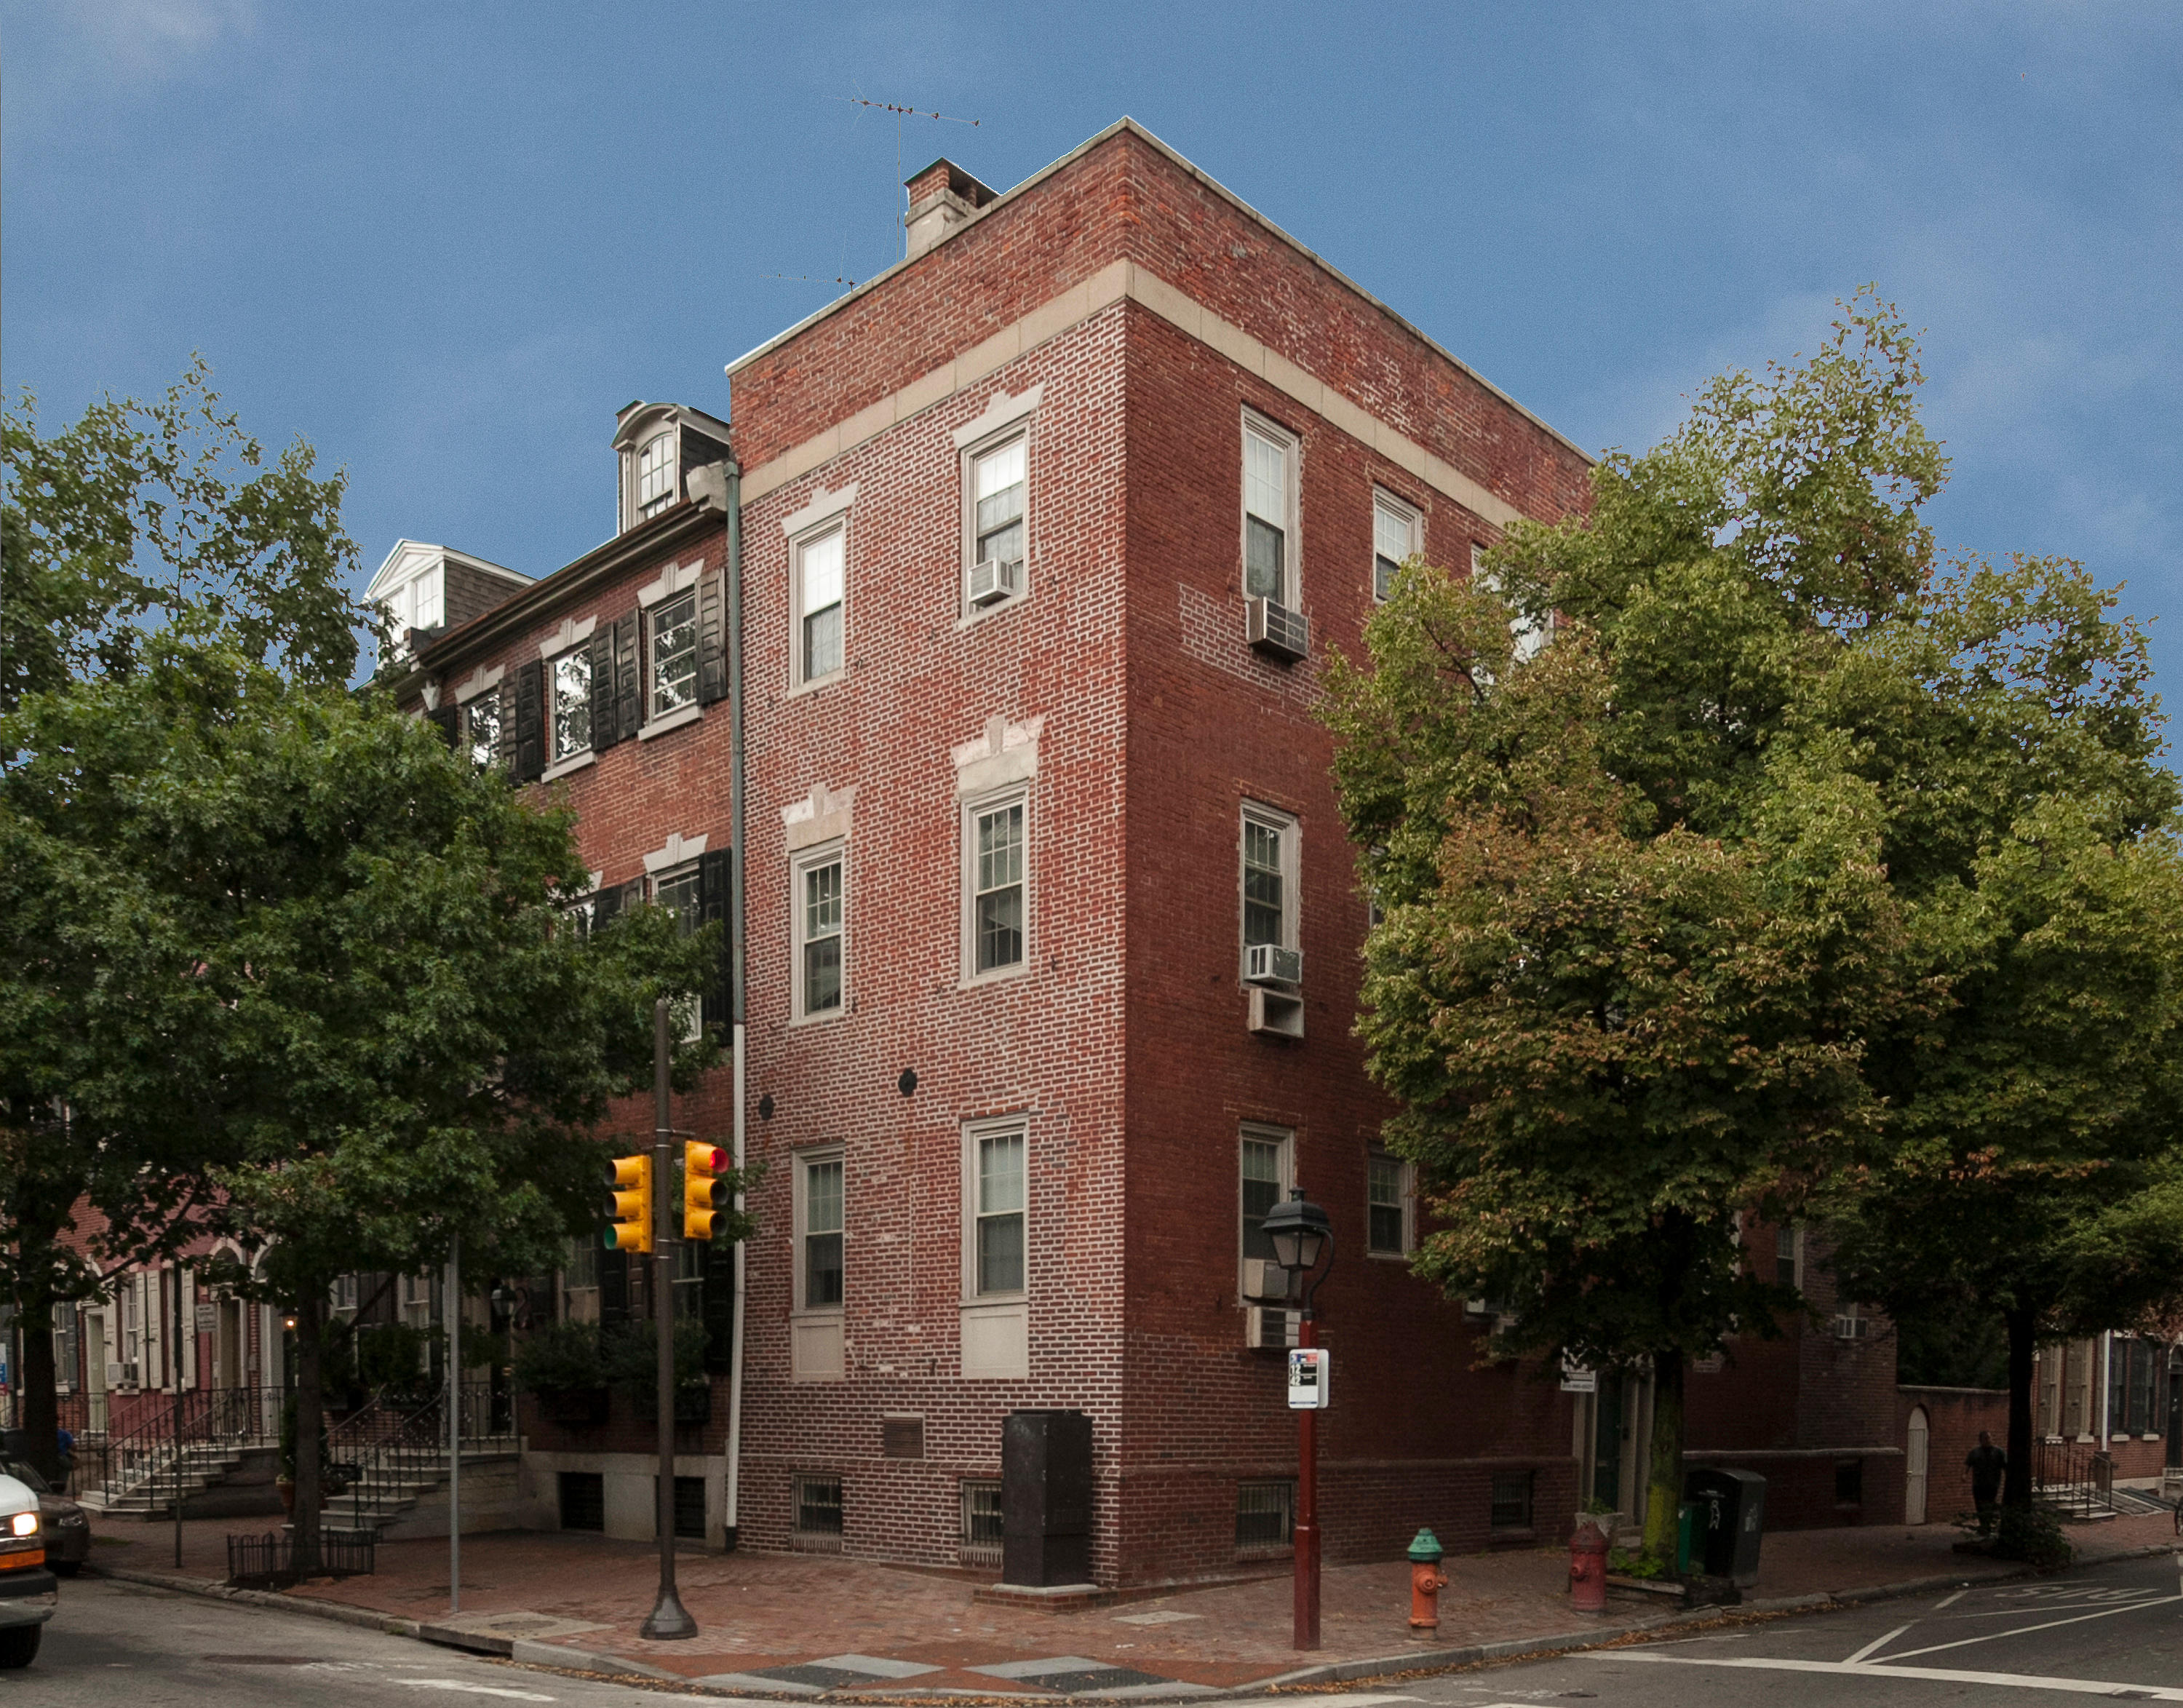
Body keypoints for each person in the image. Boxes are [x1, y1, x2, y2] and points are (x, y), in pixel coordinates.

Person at [1965, 1430, 2006, 1536]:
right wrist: (1964, 1474)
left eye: (1989, 1438)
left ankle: (1986, 1525)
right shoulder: (1975, 1452)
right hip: (1978, 1484)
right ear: (1981, 1441)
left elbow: (2005, 1466)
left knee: (1989, 1504)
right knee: (1979, 1505)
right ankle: (1983, 1525)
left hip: (1993, 1484)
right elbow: (1968, 1464)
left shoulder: (1998, 1452)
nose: (1988, 1441)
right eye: (1985, 1439)